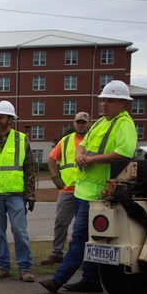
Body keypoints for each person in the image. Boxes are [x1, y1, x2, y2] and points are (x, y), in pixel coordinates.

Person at [40, 80, 137, 294]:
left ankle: (58, 279)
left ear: (123, 103)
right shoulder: (101, 123)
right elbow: (82, 144)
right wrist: (79, 156)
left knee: (80, 237)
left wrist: (91, 160)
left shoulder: (124, 124)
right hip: (82, 190)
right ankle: (91, 280)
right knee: (93, 239)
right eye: (103, 100)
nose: (104, 104)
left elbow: (124, 153)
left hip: (98, 192)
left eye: (109, 100)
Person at [0, 100, 36, 282]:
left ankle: (25, 267)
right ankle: (3, 266)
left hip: (15, 194)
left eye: (0, 117)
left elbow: (29, 168)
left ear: (10, 120)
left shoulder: (20, 139)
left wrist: (30, 195)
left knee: (19, 231)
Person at [41, 112, 91, 265]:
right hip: (67, 190)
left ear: (89, 124)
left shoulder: (94, 140)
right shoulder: (66, 140)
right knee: (61, 222)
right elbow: (51, 159)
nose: (81, 125)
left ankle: (87, 256)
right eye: (78, 122)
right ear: (74, 124)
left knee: (85, 226)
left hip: (87, 189)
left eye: (83, 122)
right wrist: (55, 176)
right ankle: (56, 253)